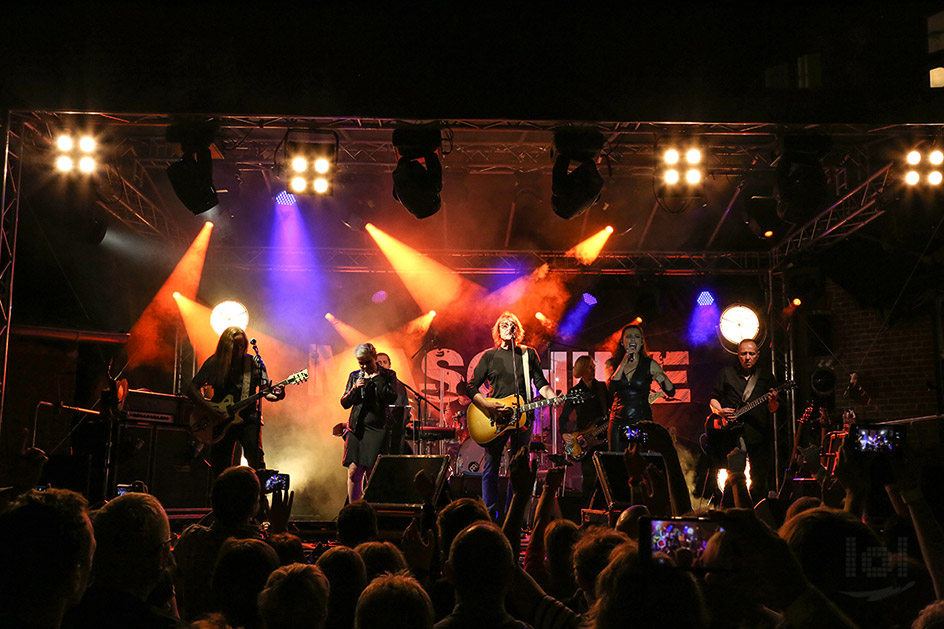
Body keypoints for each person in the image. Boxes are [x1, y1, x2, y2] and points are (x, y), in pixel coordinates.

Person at [468, 311, 559, 520]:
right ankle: (489, 515)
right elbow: (471, 386)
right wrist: (486, 405)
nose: (508, 327)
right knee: (491, 466)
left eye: (512, 324)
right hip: (495, 419)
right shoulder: (489, 356)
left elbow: (541, 384)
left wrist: (552, 396)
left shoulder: (528, 355)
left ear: (517, 329)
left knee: (518, 467)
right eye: (504, 325)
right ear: (498, 331)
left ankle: (512, 515)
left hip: (523, 418)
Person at [187, 326, 284, 478]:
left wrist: (277, 395)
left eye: (241, 345)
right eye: (235, 345)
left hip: (249, 417)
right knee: (220, 463)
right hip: (220, 419)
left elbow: (267, 392)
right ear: (226, 345)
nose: (239, 349)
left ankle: (258, 496)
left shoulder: (254, 363)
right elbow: (192, 389)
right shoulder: (214, 363)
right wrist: (210, 410)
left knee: (255, 457)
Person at [708, 338, 779, 502]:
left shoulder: (766, 376)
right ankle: (730, 507)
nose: (747, 357)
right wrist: (720, 411)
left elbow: (773, 409)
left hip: (759, 434)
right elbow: (713, 399)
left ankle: (757, 509)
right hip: (733, 434)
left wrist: (773, 400)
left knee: (759, 478)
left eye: (751, 354)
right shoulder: (727, 374)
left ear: (757, 355)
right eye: (744, 354)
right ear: (738, 355)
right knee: (733, 475)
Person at [339, 342, 399, 503]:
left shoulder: (388, 375)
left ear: (375, 358)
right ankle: (354, 509)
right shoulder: (354, 376)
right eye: (361, 363)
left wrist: (377, 379)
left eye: (368, 362)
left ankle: (372, 511)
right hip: (357, 429)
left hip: (378, 429)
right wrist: (355, 389)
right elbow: (344, 403)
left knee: (373, 473)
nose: (364, 366)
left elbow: (391, 397)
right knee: (353, 471)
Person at [607, 324, 675, 452]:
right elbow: (611, 387)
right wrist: (623, 363)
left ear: (642, 341)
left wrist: (662, 378)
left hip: (641, 418)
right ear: (622, 342)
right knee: (616, 460)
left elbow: (671, 392)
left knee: (639, 461)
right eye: (629, 337)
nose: (633, 340)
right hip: (617, 420)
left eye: (637, 337)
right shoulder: (613, 364)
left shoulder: (649, 364)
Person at [557, 355, 610, 503]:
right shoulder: (575, 391)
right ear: (582, 369)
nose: (593, 370)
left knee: (606, 478)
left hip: (604, 438)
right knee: (589, 478)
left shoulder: (602, 388)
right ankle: (587, 513)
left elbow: (613, 409)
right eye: (590, 367)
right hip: (586, 441)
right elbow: (563, 418)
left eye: (594, 367)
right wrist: (564, 434)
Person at [377, 352, 411, 454]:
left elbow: (406, 408)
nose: (382, 365)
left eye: (384, 362)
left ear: (389, 365)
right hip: (377, 431)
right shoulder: (373, 383)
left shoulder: (400, 386)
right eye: (379, 362)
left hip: (396, 432)